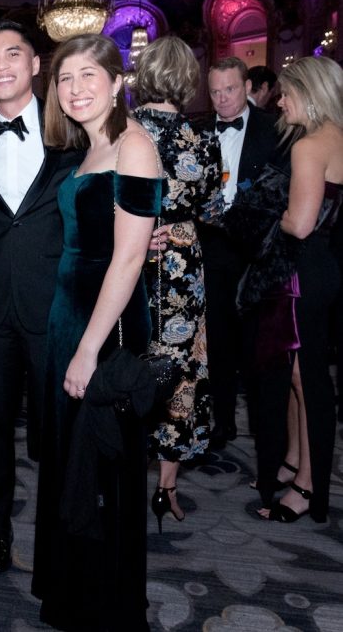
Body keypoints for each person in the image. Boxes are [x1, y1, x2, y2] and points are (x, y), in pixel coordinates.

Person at [32, 32, 162, 631]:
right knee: (71, 460)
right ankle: (72, 594)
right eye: (65, 78)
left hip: (104, 329)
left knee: (103, 461)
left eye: (89, 75)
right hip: (70, 316)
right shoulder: (89, 148)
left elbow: (129, 259)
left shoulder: (133, 145)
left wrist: (87, 350)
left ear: (117, 83)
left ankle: (106, 608)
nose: (76, 88)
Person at [0, 20, 81, 573]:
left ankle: (59, 535)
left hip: (53, 304)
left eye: (13, 54)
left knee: (58, 430)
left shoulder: (72, 135)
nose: (1, 65)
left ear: (35, 65)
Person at [132, 37, 223, 529]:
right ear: (188, 79)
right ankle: (166, 488)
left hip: (128, 255)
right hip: (182, 262)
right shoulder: (201, 138)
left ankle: (120, 476)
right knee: (180, 369)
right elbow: (212, 209)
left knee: (126, 359)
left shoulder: (121, 130)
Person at [253, 56, 343, 523]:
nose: (280, 101)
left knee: (307, 381)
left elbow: (301, 224)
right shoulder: (337, 137)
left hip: (303, 270)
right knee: (304, 376)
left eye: (286, 93)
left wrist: (269, 212)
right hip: (326, 267)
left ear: (308, 93)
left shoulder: (308, 146)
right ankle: (297, 465)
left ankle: (307, 486)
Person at [198, 56, 281, 450]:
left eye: (229, 89)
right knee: (218, 341)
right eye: (215, 92)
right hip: (212, 247)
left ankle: (265, 428)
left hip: (257, 252)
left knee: (257, 343)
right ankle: (224, 420)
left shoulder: (274, 129)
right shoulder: (199, 131)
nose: (222, 99)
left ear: (247, 87)